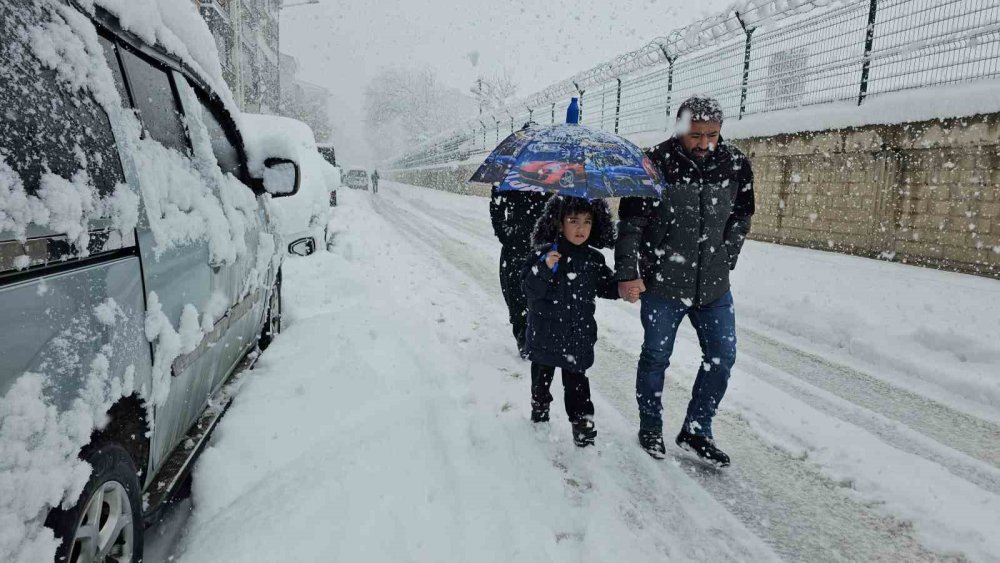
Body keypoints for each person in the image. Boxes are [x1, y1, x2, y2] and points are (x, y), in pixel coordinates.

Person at [615, 96, 755, 466]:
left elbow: (742, 215)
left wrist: (727, 255)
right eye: (696, 135)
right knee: (656, 356)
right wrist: (629, 273)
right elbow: (631, 224)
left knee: (722, 357)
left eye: (712, 135)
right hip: (663, 284)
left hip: (714, 286)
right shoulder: (654, 163)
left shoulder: (735, 163)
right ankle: (650, 425)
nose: (705, 144)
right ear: (680, 128)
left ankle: (697, 429)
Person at [521, 196, 618, 447]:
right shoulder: (545, 254)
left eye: (587, 222)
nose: (580, 228)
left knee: (577, 383)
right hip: (545, 334)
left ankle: (581, 422)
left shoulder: (593, 260)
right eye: (573, 221)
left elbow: (606, 286)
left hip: (577, 334)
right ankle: (540, 404)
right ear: (559, 223)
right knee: (542, 377)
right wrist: (544, 267)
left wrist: (623, 288)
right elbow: (529, 290)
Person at [490, 186, 551, 357]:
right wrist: (507, 235)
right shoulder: (510, 175)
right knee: (515, 297)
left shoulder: (552, 172)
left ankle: (539, 337)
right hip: (516, 248)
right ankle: (524, 339)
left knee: (544, 295)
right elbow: (497, 206)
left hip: (543, 246)